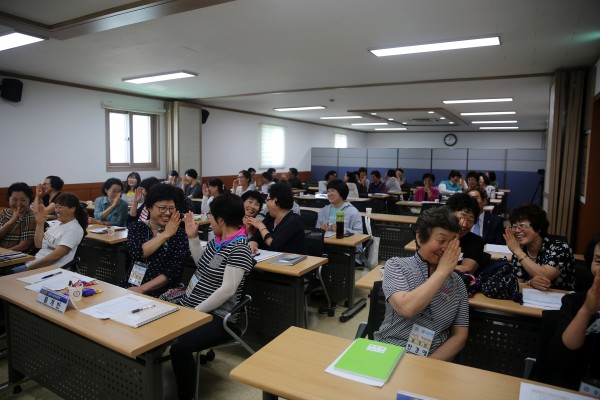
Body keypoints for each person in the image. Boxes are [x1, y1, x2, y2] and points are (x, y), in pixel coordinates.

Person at [168, 194, 253, 400]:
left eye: (211, 217)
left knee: (180, 348)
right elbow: (204, 266)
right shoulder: (219, 242)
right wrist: (192, 238)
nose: (209, 221)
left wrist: (195, 312)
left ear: (221, 220)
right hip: (193, 304)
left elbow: (228, 290)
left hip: (218, 315)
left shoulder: (239, 248)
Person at [374, 207, 468, 361]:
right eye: (441, 240)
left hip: (434, 359)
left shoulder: (457, 283)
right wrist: (442, 272)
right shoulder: (397, 266)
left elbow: (460, 336)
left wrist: (427, 364)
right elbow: (407, 308)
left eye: (452, 242)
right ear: (419, 238)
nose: (446, 248)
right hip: (391, 350)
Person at [536, 235, 600, 391]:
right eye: (598, 261)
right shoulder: (574, 302)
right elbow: (560, 358)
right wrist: (586, 310)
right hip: (574, 387)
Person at [120, 184, 190, 297]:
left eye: (171, 208)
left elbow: (173, 271)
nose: (167, 213)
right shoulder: (137, 227)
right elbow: (137, 253)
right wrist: (166, 234)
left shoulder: (180, 234)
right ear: (148, 207)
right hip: (132, 284)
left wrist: (142, 289)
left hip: (163, 292)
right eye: (162, 208)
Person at [504, 204, 575, 291]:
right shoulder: (521, 251)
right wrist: (529, 283)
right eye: (514, 226)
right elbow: (517, 285)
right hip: (530, 297)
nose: (517, 230)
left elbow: (545, 276)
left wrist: (518, 251)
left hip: (560, 297)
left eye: (522, 226)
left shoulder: (561, 248)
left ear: (538, 228)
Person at [18, 193, 87, 271]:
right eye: (56, 207)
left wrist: (30, 268)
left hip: (49, 270)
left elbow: (56, 256)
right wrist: (40, 224)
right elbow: (38, 244)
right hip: (35, 264)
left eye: (60, 207)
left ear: (72, 208)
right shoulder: (57, 223)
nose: (57, 210)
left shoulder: (74, 229)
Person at [247, 183, 308, 254]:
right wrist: (253, 243)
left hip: (293, 259)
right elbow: (256, 237)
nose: (266, 203)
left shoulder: (294, 221)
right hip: (271, 258)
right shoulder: (270, 217)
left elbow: (274, 246)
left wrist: (261, 226)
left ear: (275, 201)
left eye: (268, 200)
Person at [445, 193, 485, 274]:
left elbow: (467, 268)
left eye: (470, 220)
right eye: (461, 218)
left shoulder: (476, 241)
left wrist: (437, 271)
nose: (464, 224)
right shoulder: (437, 234)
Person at [0, 182, 36, 252]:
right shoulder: (5, 212)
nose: (18, 204)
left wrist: (3, 253)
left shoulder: (31, 216)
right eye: (14, 199)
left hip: (15, 255)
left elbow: (24, 246)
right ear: (8, 199)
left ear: (29, 200)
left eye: (23, 200)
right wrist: (10, 222)